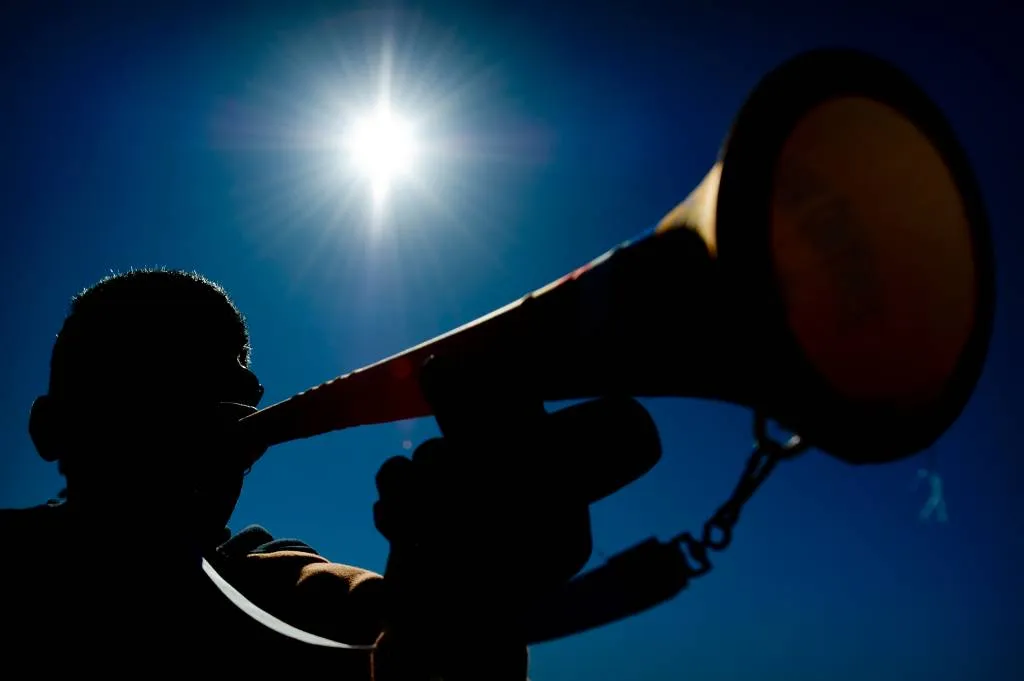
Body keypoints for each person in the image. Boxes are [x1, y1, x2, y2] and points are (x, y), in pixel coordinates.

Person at [0, 269, 639, 679]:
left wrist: (458, 607)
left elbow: (371, 614)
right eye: (140, 389)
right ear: (50, 428)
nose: (211, 432)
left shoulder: (270, 579)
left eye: (231, 402)